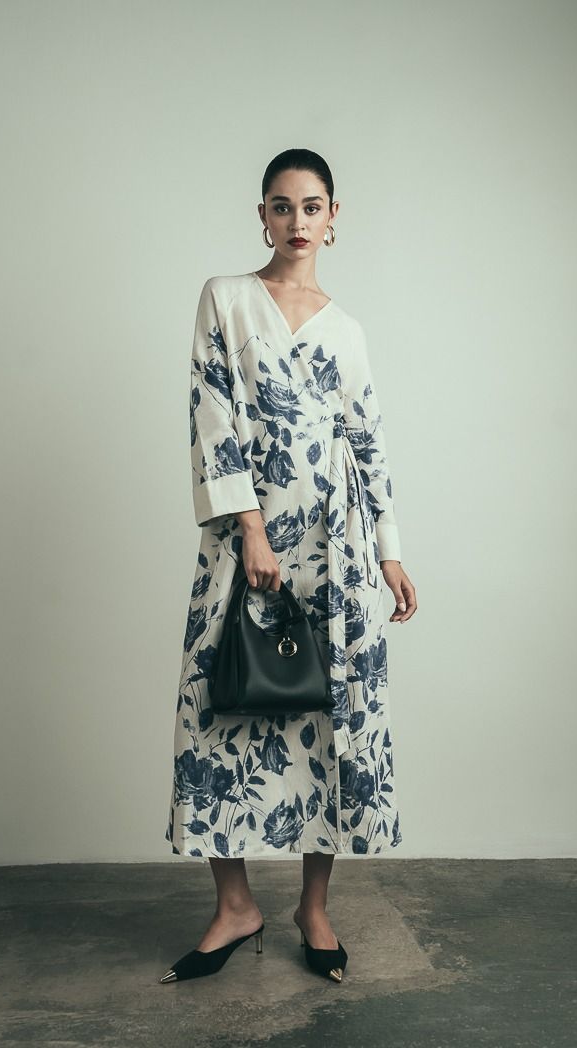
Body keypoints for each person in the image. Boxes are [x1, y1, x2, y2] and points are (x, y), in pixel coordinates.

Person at [161, 148, 417, 984]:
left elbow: (368, 441)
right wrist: (251, 528)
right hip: (252, 538)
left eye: (312, 207)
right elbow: (211, 411)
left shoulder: (348, 330)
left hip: (338, 543)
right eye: (281, 205)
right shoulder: (226, 299)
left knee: (329, 717)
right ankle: (235, 906)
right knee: (217, 706)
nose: (297, 221)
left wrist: (390, 552)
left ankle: (314, 907)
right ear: (262, 216)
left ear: (333, 219)